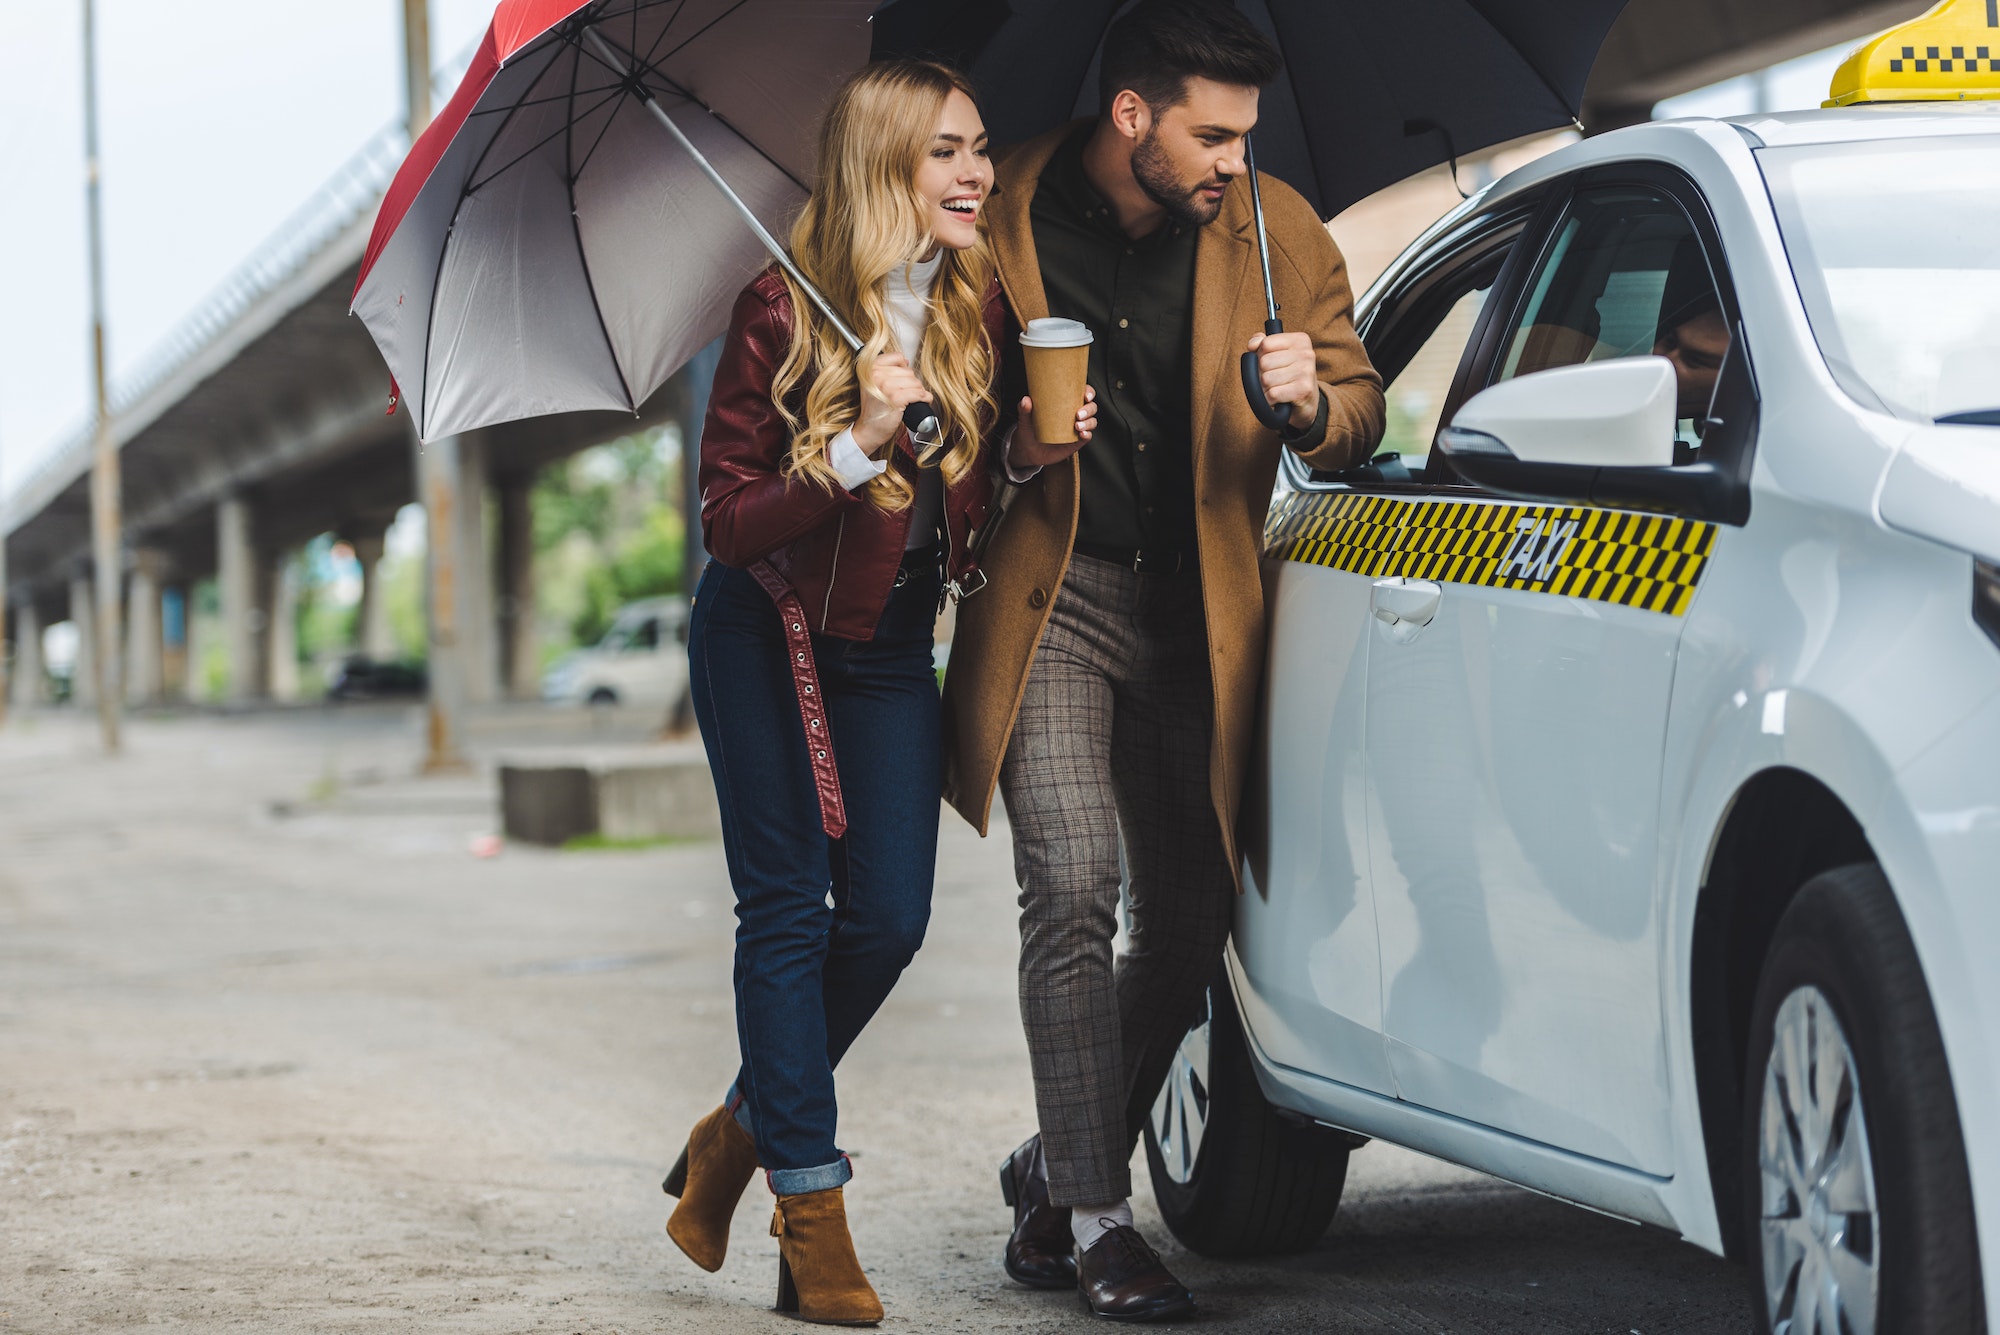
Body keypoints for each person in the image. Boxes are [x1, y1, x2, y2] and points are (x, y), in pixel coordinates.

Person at [941, 0, 1386, 1320]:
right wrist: (1018, 440)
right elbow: (943, 445)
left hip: (1204, 618)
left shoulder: (1279, 231)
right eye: (1210, 134)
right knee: (1071, 881)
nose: (1232, 159)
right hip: (1052, 601)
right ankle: (1093, 1214)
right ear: (1131, 116)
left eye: (1244, 135)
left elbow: (1361, 409)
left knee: (1189, 930)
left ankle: (1050, 1164)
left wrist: (1313, 403)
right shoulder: (997, 220)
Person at [662, 59, 1095, 1326]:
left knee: (890, 922)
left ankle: (735, 1135)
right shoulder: (775, 311)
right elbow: (727, 523)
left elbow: (966, 493)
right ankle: (810, 1216)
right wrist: (850, 448)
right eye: (943, 152)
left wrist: (1016, 449)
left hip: (893, 650)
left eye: (978, 148)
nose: (975, 174)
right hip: (767, 634)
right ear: (880, 166)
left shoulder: (982, 303)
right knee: (788, 913)